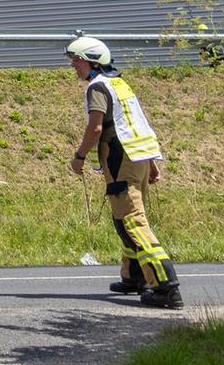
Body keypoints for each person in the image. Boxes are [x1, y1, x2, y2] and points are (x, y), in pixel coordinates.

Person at [65, 37, 183, 310]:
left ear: (93, 61)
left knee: (133, 221)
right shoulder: (119, 83)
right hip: (139, 158)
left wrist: (79, 157)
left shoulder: (97, 87)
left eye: (77, 60)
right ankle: (134, 277)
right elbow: (137, 124)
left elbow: (96, 128)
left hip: (121, 159)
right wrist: (151, 163)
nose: (73, 65)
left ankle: (166, 287)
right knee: (122, 219)